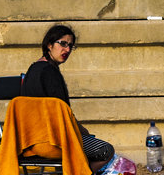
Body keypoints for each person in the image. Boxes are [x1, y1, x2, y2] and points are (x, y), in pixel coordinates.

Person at [21, 25, 114, 167]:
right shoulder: (51, 73)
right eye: (63, 44)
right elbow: (63, 116)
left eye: (71, 46)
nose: (68, 50)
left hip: (28, 141)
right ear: (49, 45)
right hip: (54, 142)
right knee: (106, 150)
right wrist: (83, 131)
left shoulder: (32, 69)